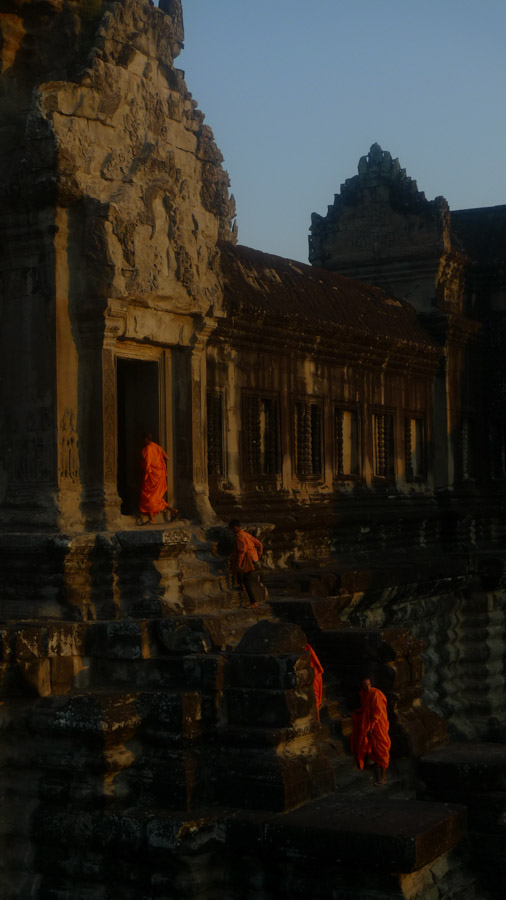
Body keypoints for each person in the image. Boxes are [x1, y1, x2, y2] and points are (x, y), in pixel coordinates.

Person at [350, 677, 391, 786]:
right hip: (372, 723)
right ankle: (377, 763)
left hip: (378, 725)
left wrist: (371, 727)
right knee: (373, 745)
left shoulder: (375, 694)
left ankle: (383, 777)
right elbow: (365, 707)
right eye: (365, 685)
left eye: (369, 685)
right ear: (362, 686)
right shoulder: (365, 694)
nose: (368, 687)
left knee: (382, 747)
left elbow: (377, 712)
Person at [139, 433, 179, 525]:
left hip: (151, 476)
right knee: (155, 498)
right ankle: (173, 510)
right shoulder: (157, 446)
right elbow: (167, 457)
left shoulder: (148, 449)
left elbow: (147, 465)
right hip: (159, 476)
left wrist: (146, 475)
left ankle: (152, 519)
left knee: (147, 497)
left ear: (145, 439)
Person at [228, 519, 266, 607]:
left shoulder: (239, 536)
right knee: (244, 576)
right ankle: (242, 586)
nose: (232, 531)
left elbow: (242, 551)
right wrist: (258, 555)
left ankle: (253, 602)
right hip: (254, 559)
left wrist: (239, 563)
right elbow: (259, 544)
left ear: (235, 528)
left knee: (246, 580)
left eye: (232, 529)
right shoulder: (246, 534)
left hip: (248, 560)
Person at [305, 643, 324, 722]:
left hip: (314, 675)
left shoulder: (306, 648)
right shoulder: (307, 648)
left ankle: (317, 723)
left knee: (316, 702)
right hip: (314, 675)